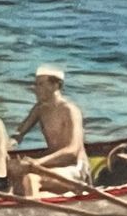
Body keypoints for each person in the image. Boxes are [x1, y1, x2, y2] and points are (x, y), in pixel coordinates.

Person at [12, 64, 87, 194]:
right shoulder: (40, 109)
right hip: (53, 166)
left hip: (75, 168)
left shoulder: (70, 110)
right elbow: (19, 133)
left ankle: (33, 205)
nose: (36, 89)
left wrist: (38, 162)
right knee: (13, 170)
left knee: (31, 179)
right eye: (36, 84)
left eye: (40, 84)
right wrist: (8, 144)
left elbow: (72, 150)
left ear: (55, 85)